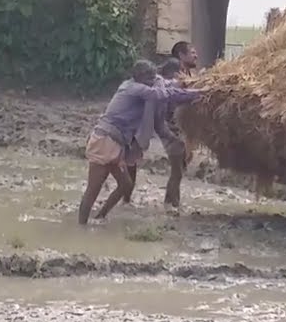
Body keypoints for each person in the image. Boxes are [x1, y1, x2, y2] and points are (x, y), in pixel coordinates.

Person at [77, 59, 201, 224]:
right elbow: (164, 94)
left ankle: (100, 218)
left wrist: (191, 84)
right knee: (93, 190)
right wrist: (199, 93)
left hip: (116, 143)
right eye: (150, 77)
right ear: (140, 77)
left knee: (126, 185)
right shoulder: (133, 88)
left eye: (154, 76)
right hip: (104, 141)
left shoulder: (142, 85)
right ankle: (81, 226)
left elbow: (168, 86)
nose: (153, 80)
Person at [121, 58, 191, 206]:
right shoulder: (139, 88)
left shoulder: (160, 83)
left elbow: (175, 91)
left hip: (164, 126)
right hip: (141, 127)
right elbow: (171, 93)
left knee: (177, 168)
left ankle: (171, 203)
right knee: (131, 165)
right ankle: (125, 200)